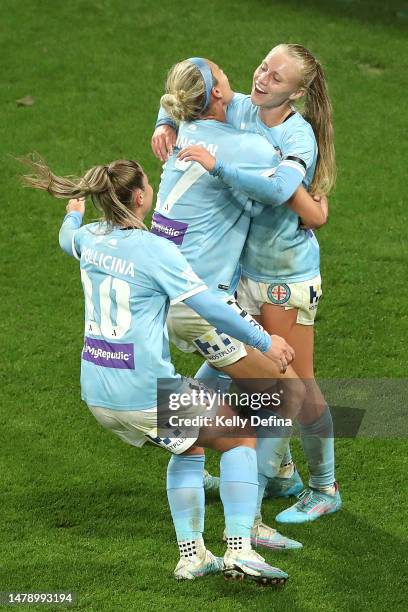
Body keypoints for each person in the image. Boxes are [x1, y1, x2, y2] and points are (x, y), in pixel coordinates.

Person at [22, 156, 290, 585]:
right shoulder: (155, 251)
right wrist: (264, 341)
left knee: (188, 446)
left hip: (97, 391)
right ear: (142, 198)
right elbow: (209, 307)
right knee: (240, 435)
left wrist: (73, 212)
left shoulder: (89, 238)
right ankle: (241, 548)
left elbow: (65, 237)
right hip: (146, 393)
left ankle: (193, 556)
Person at [152, 46, 341, 524]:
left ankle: (323, 487)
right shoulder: (241, 107)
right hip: (241, 276)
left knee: (294, 385)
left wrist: (219, 167)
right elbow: (188, 87)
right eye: (261, 67)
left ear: (297, 91)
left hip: (283, 274)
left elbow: (280, 191)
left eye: (276, 78)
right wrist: (163, 122)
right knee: (233, 373)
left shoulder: (298, 135)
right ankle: (274, 476)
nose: (261, 80)